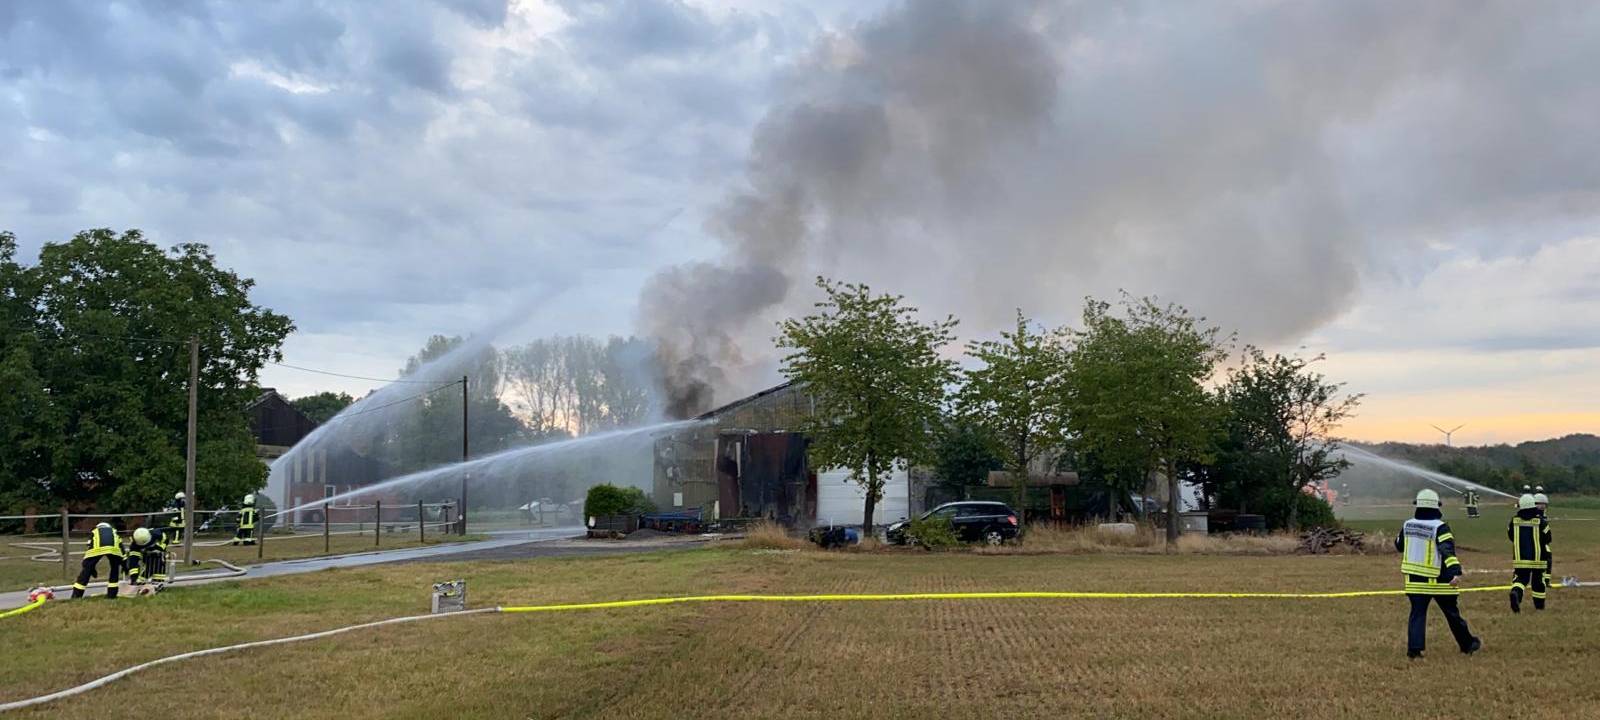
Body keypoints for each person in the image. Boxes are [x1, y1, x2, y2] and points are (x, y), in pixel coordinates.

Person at [1396, 489, 1481, 658]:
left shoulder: (1407, 525)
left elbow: (1399, 545)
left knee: (1417, 614)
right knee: (1451, 613)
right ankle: (1467, 644)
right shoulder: (1440, 527)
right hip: (1440, 580)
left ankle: (1414, 650)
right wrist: (1456, 572)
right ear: (1436, 507)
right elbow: (1447, 551)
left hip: (1414, 580)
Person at [1509, 493, 1551, 612]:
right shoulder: (1540, 521)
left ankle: (1516, 593)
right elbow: (1548, 538)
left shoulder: (1514, 521)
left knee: (1520, 579)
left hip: (1520, 558)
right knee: (1538, 582)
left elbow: (1511, 535)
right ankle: (1539, 606)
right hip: (1538, 559)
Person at [71, 522, 124, 599]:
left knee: (85, 572)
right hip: (114, 550)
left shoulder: (94, 532)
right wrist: (124, 563)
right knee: (114, 570)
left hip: (97, 550)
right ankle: (112, 595)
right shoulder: (114, 532)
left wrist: (90, 567)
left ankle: (76, 595)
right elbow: (121, 548)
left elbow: (89, 546)